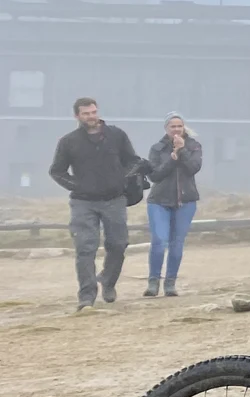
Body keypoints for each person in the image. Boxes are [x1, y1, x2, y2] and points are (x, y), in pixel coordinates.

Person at [48, 97, 142, 312]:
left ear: (98, 112)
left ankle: (108, 281)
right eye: (86, 113)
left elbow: (134, 161)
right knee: (85, 248)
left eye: (93, 112)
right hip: (83, 202)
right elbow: (56, 171)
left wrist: (122, 178)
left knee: (118, 244)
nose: (91, 117)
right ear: (77, 116)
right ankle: (86, 296)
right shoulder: (68, 141)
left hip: (114, 199)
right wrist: (77, 185)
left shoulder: (117, 136)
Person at [143, 113, 203, 297]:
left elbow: (194, 168)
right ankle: (153, 281)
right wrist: (172, 158)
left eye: (179, 126)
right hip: (159, 201)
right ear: (166, 129)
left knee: (177, 243)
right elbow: (154, 175)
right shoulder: (157, 148)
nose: (176, 130)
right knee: (159, 241)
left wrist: (182, 151)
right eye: (172, 126)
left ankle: (170, 282)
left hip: (186, 200)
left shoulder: (194, 146)